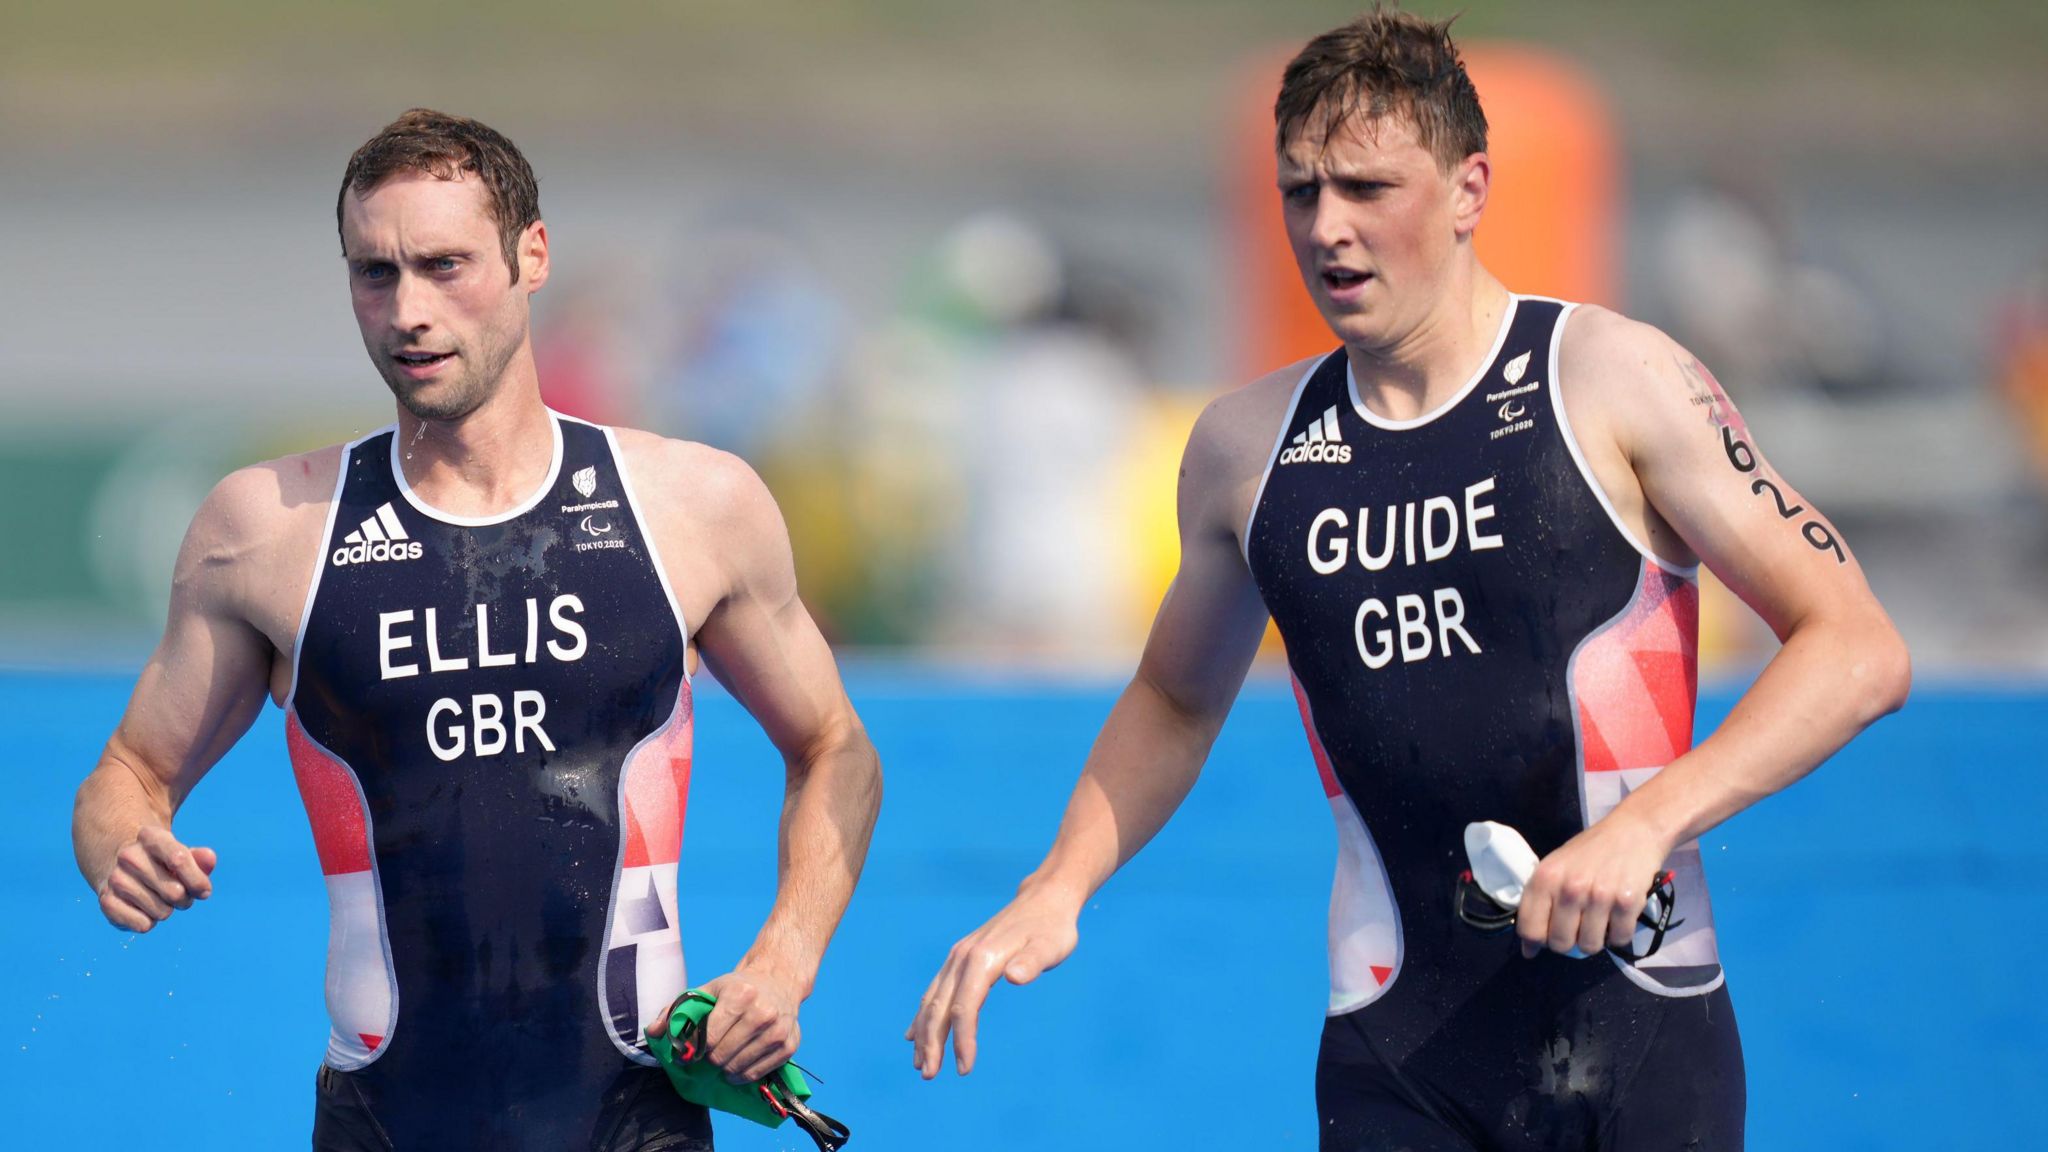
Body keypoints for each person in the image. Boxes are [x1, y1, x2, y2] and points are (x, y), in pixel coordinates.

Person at [907, 11, 1909, 1150]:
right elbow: (1176, 696)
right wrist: (1057, 885)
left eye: (1367, 188)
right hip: (1398, 1040)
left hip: (1636, 1023)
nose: (1326, 228)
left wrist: (1647, 823)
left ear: (1469, 188)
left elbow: (1856, 647)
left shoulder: (1611, 380)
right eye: (1299, 193)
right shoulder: (1245, 449)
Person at [70, 109, 882, 1151]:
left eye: (444, 265)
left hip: (633, 1120)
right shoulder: (266, 531)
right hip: (388, 1121)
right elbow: (127, 774)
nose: (408, 310)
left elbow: (836, 749)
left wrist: (783, 960)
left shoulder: (693, 506)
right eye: (375, 273)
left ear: (531, 255)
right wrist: (120, 848)